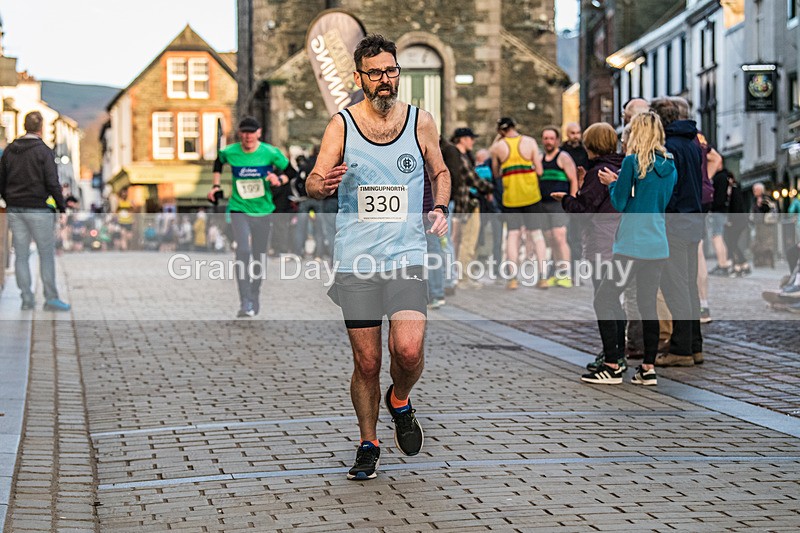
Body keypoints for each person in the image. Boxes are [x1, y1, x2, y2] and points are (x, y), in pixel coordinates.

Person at [306, 34, 450, 481]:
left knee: (407, 351)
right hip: (358, 260)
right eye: (375, 73)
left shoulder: (419, 121)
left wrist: (440, 207)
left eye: (391, 71)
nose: (385, 80)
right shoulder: (342, 125)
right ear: (359, 78)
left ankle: (400, 399)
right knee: (367, 363)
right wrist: (322, 185)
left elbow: (440, 171)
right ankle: (368, 442)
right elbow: (312, 179)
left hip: (407, 253)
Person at [583, 111, 677, 385]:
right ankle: (648, 367)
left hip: (631, 244)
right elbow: (663, 202)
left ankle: (612, 364)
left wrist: (612, 183)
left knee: (604, 298)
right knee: (648, 305)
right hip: (657, 243)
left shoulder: (632, 162)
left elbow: (621, 202)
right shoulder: (670, 165)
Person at [551, 122, 624, 372]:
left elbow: (585, 209)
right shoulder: (620, 166)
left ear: (591, 145)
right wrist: (583, 184)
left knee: (603, 299)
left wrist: (567, 200)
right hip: (617, 238)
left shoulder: (599, 171)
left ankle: (612, 356)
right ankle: (617, 353)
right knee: (614, 298)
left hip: (601, 241)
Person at [207, 116, 291, 317]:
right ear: (239, 134)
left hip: (263, 210)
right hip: (239, 208)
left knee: (258, 255)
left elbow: (292, 173)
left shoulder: (270, 153)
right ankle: (245, 301)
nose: (248, 137)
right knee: (243, 251)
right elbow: (218, 161)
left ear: (259, 133)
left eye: (251, 132)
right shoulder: (231, 152)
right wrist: (216, 185)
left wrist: (278, 179)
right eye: (244, 132)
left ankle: (255, 294)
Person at [651, 97, 704, 368]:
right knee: (690, 286)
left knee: (675, 286)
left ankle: (681, 348)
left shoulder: (668, 148)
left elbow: (669, 189)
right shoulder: (692, 144)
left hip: (675, 223)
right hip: (694, 221)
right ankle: (695, 345)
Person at [0, 111, 70, 311]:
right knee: (45, 254)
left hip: (15, 208)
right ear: (41, 128)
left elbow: (1, 180)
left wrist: (8, 199)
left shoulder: (10, 150)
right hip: (38, 209)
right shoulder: (44, 151)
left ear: (24, 126)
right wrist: (60, 205)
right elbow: (52, 182)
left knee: (21, 255)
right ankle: (50, 298)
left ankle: (27, 298)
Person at [489, 117, 546, 289]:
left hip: (511, 197)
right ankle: (542, 277)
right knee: (536, 235)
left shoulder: (498, 147)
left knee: (512, 236)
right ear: (515, 126)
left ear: (500, 131)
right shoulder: (530, 142)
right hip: (531, 195)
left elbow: (496, 173)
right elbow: (540, 171)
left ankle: (512, 278)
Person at [451, 127, 492, 288]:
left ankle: (467, 275)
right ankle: (463, 278)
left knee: (469, 241)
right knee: (468, 241)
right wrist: (490, 188)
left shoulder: (462, 156)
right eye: (470, 138)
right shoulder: (460, 157)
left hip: (465, 204)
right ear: (462, 139)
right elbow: (473, 179)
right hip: (467, 204)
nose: (473, 141)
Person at [539, 127, 578, 287]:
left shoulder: (563, 157)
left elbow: (573, 180)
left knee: (559, 237)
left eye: (551, 138)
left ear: (557, 140)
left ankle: (566, 274)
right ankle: (557, 273)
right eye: (545, 138)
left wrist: (572, 201)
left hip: (559, 204)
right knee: (551, 239)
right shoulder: (540, 158)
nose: (548, 141)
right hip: (543, 204)